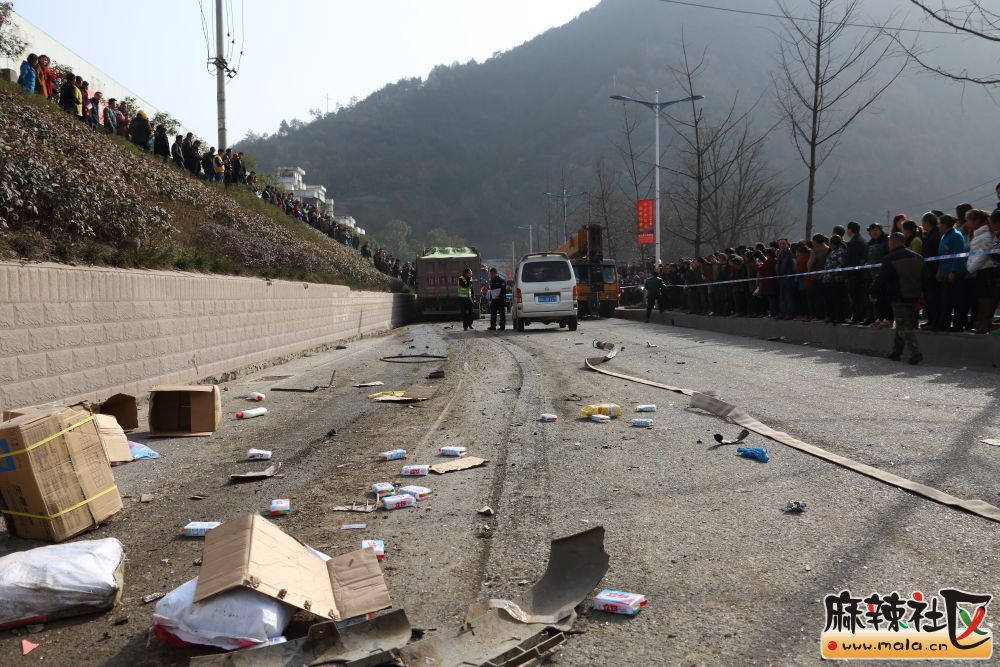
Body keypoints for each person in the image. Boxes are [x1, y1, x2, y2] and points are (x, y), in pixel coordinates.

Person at [872, 232, 924, 364]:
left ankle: (915, 352)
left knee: (903, 325)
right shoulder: (918, 257)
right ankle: (896, 351)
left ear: (893, 242)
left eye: (889, 242)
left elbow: (881, 277)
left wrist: (873, 291)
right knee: (902, 322)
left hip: (899, 295)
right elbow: (926, 276)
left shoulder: (890, 258)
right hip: (914, 295)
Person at [965, 208, 996, 334]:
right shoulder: (977, 233)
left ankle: (985, 324)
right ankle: (981, 323)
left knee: (986, 299)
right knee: (981, 298)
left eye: (968, 220)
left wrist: (971, 267)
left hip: (987, 270)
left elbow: (983, 255)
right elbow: (974, 253)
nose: (967, 223)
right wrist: (970, 264)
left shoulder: (986, 235)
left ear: (976, 221)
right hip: (980, 270)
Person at [936, 214, 968, 331]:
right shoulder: (944, 236)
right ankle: (944, 324)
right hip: (944, 273)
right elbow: (942, 256)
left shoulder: (956, 236)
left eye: (939, 223)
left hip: (955, 273)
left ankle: (957, 325)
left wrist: (953, 271)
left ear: (945, 224)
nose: (938, 226)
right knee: (946, 301)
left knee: (957, 301)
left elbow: (958, 255)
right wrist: (939, 271)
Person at [866, 223, 891, 327]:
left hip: (885, 272)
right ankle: (879, 318)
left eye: (876, 229)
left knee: (886, 297)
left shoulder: (887, 240)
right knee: (877, 297)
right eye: (872, 230)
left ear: (881, 230)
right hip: (873, 274)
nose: (874, 232)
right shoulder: (870, 243)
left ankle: (888, 319)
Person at [844, 221, 868, 323]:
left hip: (855, 274)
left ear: (850, 230)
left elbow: (852, 260)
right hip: (861, 273)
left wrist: (848, 274)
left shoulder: (854, 242)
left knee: (856, 296)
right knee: (859, 296)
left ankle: (857, 317)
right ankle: (860, 316)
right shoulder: (862, 240)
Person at [823, 235, 848, 323]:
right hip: (829, 279)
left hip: (837, 279)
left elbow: (841, 264)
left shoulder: (841, 251)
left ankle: (840, 317)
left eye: (830, 242)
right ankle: (832, 316)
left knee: (838, 299)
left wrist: (833, 272)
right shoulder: (831, 251)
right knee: (830, 299)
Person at [807, 234, 828, 321]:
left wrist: (809, 270)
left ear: (815, 241)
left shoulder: (815, 251)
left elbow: (810, 265)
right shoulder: (828, 249)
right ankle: (826, 314)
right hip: (827, 277)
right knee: (825, 297)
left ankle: (818, 315)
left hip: (816, 277)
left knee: (817, 297)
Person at [776, 238, 795, 319]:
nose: (782, 245)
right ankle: (782, 313)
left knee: (788, 297)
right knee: (782, 297)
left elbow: (792, 267)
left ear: (787, 244)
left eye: (783, 244)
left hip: (788, 279)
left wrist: (788, 276)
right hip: (781, 279)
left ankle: (789, 314)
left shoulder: (790, 254)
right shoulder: (779, 254)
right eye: (780, 244)